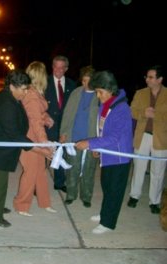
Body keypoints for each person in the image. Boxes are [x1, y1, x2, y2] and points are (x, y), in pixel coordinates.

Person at [0, 70, 53, 228]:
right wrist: (41, 150)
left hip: (0, 150)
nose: (25, 92)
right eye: (23, 89)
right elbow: (16, 135)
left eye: (26, 88)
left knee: (0, 183)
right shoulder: (6, 104)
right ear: (12, 86)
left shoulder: (11, 97)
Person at [75, 70, 133, 234]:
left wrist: (90, 143)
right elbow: (101, 130)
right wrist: (97, 148)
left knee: (114, 191)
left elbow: (114, 137)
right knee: (107, 187)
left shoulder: (121, 108)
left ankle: (108, 223)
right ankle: (104, 214)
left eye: (100, 92)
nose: (98, 96)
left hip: (119, 158)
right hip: (108, 155)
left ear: (110, 89)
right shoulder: (106, 105)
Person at [13, 61, 56, 216]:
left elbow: (36, 114)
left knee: (40, 171)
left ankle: (44, 203)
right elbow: (35, 121)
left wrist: (46, 116)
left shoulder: (34, 93)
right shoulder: (31, 95)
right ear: (41, 76)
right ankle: (21, 205)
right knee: (31, 172)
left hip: (33, 135)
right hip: (31, 138)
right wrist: (44, 142)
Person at [127, 65, 167, 214]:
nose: (147, 80)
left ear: (160, 79)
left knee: (158, 171)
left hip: (161, 139)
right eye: (147, 77)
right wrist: (144, 113)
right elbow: (132, 111)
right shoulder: (140, 93)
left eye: (151, 77)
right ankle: (134, 196)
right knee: (139, 167)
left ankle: (154, 201)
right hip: (142, 136)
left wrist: (157, 116)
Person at [60, 66, 99, 207]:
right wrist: (63, 133)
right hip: (74, 138)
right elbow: (67, 114)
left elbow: (102, 122)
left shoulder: (99, 96)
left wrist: (99, 144)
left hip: (91, 139)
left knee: (89, 169)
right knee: (72, 168)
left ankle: (86, 196)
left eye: (88, 81)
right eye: (83, 81)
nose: (85, 84)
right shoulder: (76, 93)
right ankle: (71, 194)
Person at [45, 55, 76, 193]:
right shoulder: (44, 82)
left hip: (64, 126)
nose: (58, 70)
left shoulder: (71, 84)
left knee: (60, 154)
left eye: (61, 67)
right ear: (52, 67)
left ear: (66, 69)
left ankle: (59, 182)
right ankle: (37, 183)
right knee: (43, 154)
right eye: (55, 67)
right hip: (47, 125)